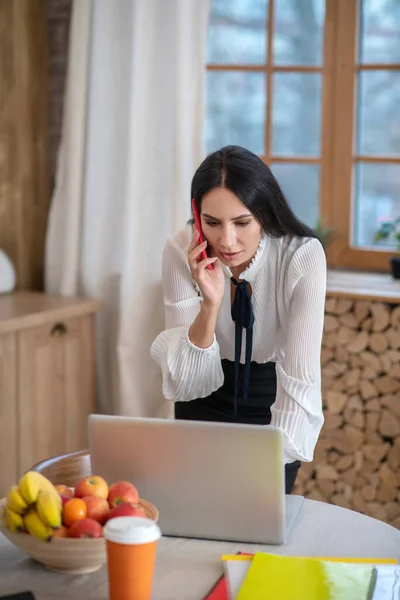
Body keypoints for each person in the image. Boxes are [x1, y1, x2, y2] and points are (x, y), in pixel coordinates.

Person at [151, 145, 327, 494]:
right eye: (212, 223)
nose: (227, 241)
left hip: (272, 400)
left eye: (242, 222)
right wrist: (210, 304)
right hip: (201, 396)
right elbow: (187, 385)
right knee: (194, 520)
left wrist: (262, 465)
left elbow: (301, 382)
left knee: (257, 525)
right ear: (196, 215)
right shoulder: (179, 250)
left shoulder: (302, 256)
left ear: (264, 212)